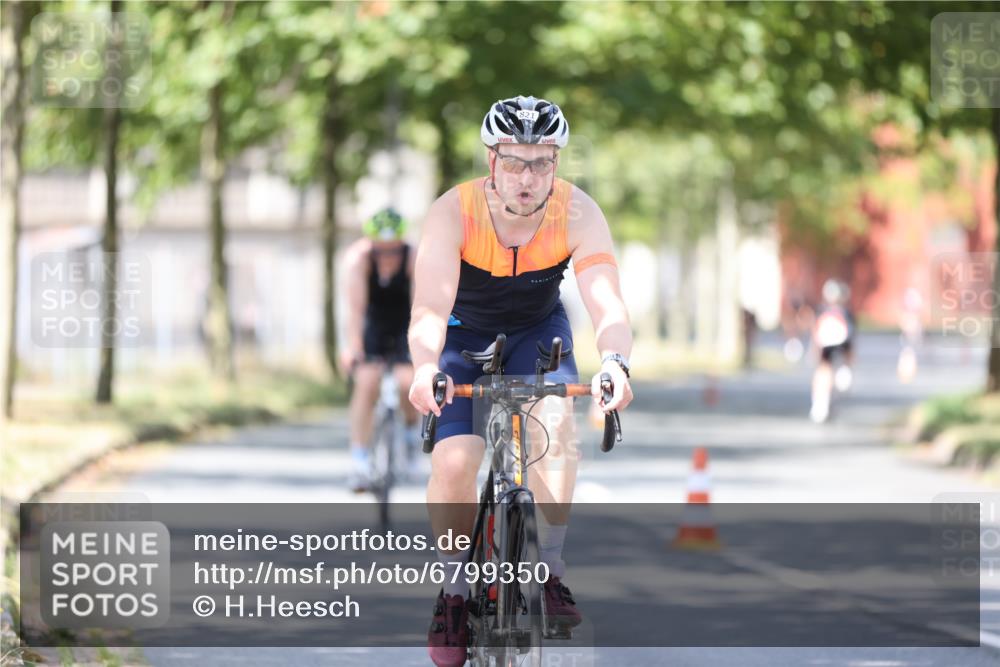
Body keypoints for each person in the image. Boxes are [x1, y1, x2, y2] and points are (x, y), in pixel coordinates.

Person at [407, 95, 634, 667]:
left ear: (557, 162)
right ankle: (455, 591)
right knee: (456, 460)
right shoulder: (451, 212)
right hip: (462, 338)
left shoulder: (578, 212)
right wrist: (425, 366)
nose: (527, 176)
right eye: (514, 161)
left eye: (541, 162)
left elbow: (607, 305)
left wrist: (615, 363)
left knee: (556, 432)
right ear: (491, 161)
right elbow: (430, 309)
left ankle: (550, 570)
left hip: (537, 331)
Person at [339, 208, 420, 492]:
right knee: (366, 382)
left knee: (407, 382)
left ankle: (411, 431)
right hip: (373, 325)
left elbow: (419, 307)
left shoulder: (413, 258)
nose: (387, 257)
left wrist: (421, 349)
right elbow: (355, 311)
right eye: (381, 250)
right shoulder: (358, 259)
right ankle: (360, 460)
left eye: (393, 250)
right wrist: (353, 348)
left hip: (405, 324)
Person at [810, 278, 856, 423]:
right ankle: (821, 404)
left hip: (834, 345)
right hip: (832, 346)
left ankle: (822, 403)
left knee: (826, 373)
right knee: (825, 373)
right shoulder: (840, 313)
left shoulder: (841, 313)